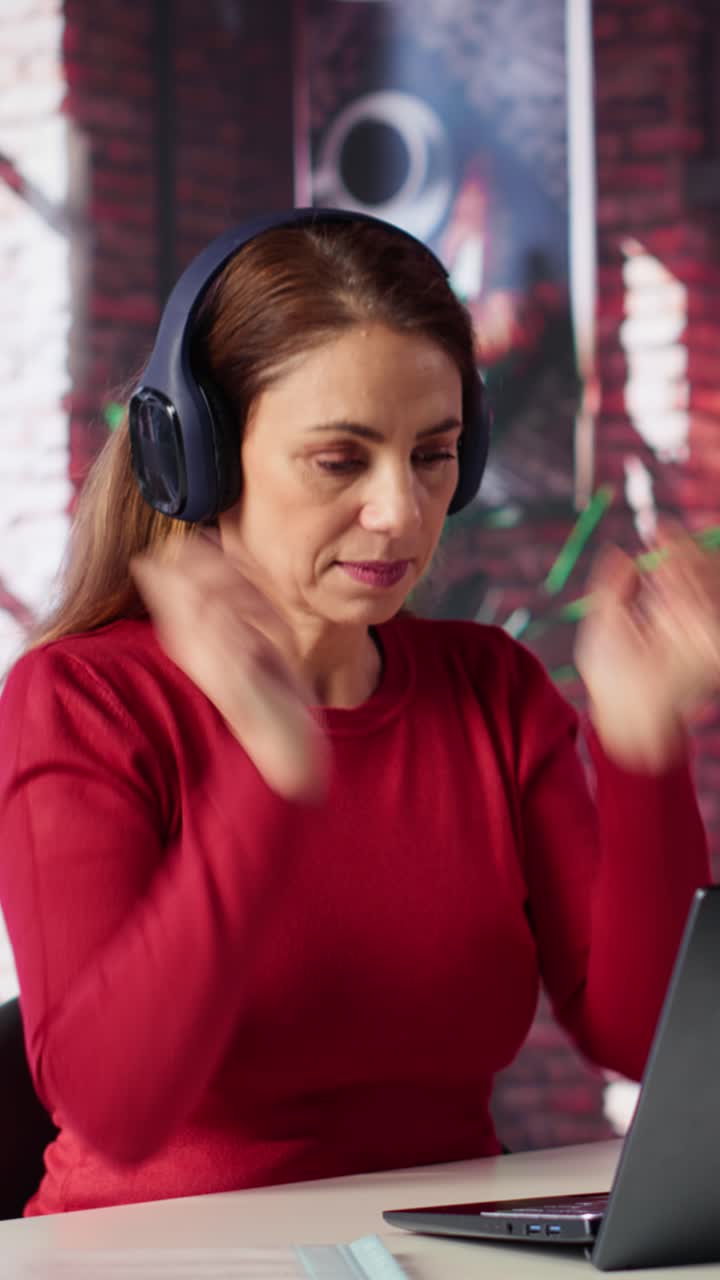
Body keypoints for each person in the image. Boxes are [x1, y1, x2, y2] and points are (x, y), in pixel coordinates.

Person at [0, 209, 717, 1217]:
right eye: (342, 459)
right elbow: (114, 1104)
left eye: (434, 455)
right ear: (199, 455)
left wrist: (642, 742)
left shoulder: (488, 686)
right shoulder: (84, 699)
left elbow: (639, 1034)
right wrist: (264, 783)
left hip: (437, 1249)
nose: (402, 510)